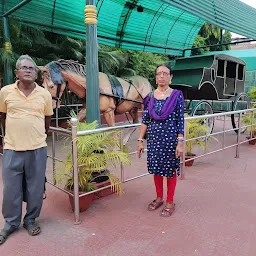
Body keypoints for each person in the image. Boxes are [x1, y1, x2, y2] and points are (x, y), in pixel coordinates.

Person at [0, 55, 53, 245]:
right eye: (24, 67)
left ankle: (30, 219)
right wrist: (11, 136)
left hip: (37, 149)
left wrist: (36, 135)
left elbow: (47, 120)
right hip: (12, 148)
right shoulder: (5, 92)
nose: (29, 70)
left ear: (36, 73)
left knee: (35, 188)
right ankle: (10, 223)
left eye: (32, 68)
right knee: (11, 188)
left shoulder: (45, 94)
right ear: (17, 72)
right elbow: (3, 116)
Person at [137, 64, 184, 217]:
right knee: (156, 169)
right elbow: (145, 120)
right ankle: (159, 198)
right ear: (156, 77)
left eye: (165, 73)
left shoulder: (177, 95)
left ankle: (170, 201)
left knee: (170, 171)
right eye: (159, 73)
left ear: (171, 77)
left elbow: (180, 120)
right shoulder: (150, 97)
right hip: (154, 140)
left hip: (170, 140)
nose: (162, 76)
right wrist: (140, 140)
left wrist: (180, 142)